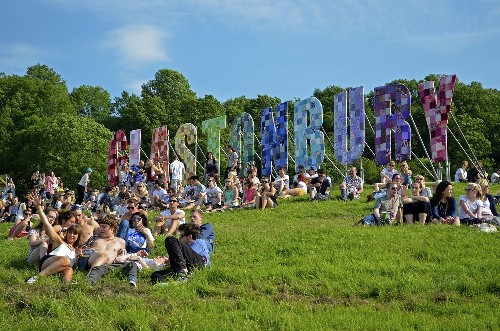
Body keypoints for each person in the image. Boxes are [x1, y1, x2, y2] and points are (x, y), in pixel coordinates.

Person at [27, 195, 84, 284]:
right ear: (67, 233)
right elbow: (47, 224)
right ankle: (37, 277)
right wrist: (38, 208)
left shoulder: (77, 250)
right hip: (48, 262)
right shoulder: (60, 241)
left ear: (78, 237)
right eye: (70, 232)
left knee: (69, 269)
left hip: (61, 268)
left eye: (75, 234)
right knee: (66, 260)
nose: (71, 235)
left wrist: (77, 256)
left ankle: (66, 285)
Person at [85, 215, 139, 286]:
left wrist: (122, 255)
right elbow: (84, 250)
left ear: (112, 228)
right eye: (100, 226)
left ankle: (132, 280)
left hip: (111, 265)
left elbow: (121, 257)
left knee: (132, 264)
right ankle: (89, 282)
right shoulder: (95, 239)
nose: (101, 229)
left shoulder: (120, 241)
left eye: (104, 227)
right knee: (98, 267)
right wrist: (90, 249)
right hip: (97, 265)